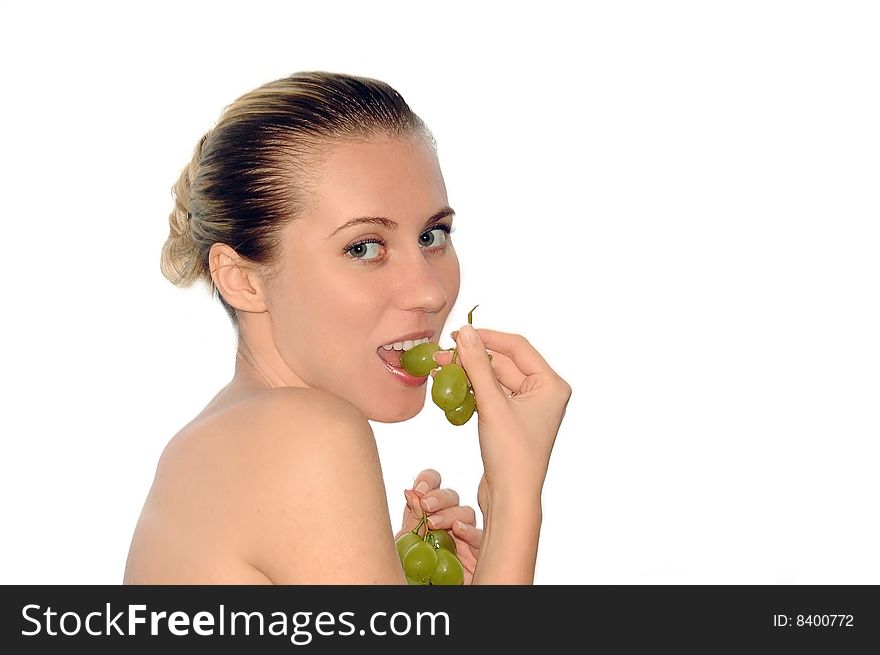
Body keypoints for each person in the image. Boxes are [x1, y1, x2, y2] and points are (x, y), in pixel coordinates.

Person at [123, 71, 571, 584]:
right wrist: (515, 499)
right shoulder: (305, 435)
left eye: (431, 235)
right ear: (243, 280)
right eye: (363, 247)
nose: (431, 292)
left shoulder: (214, 442)